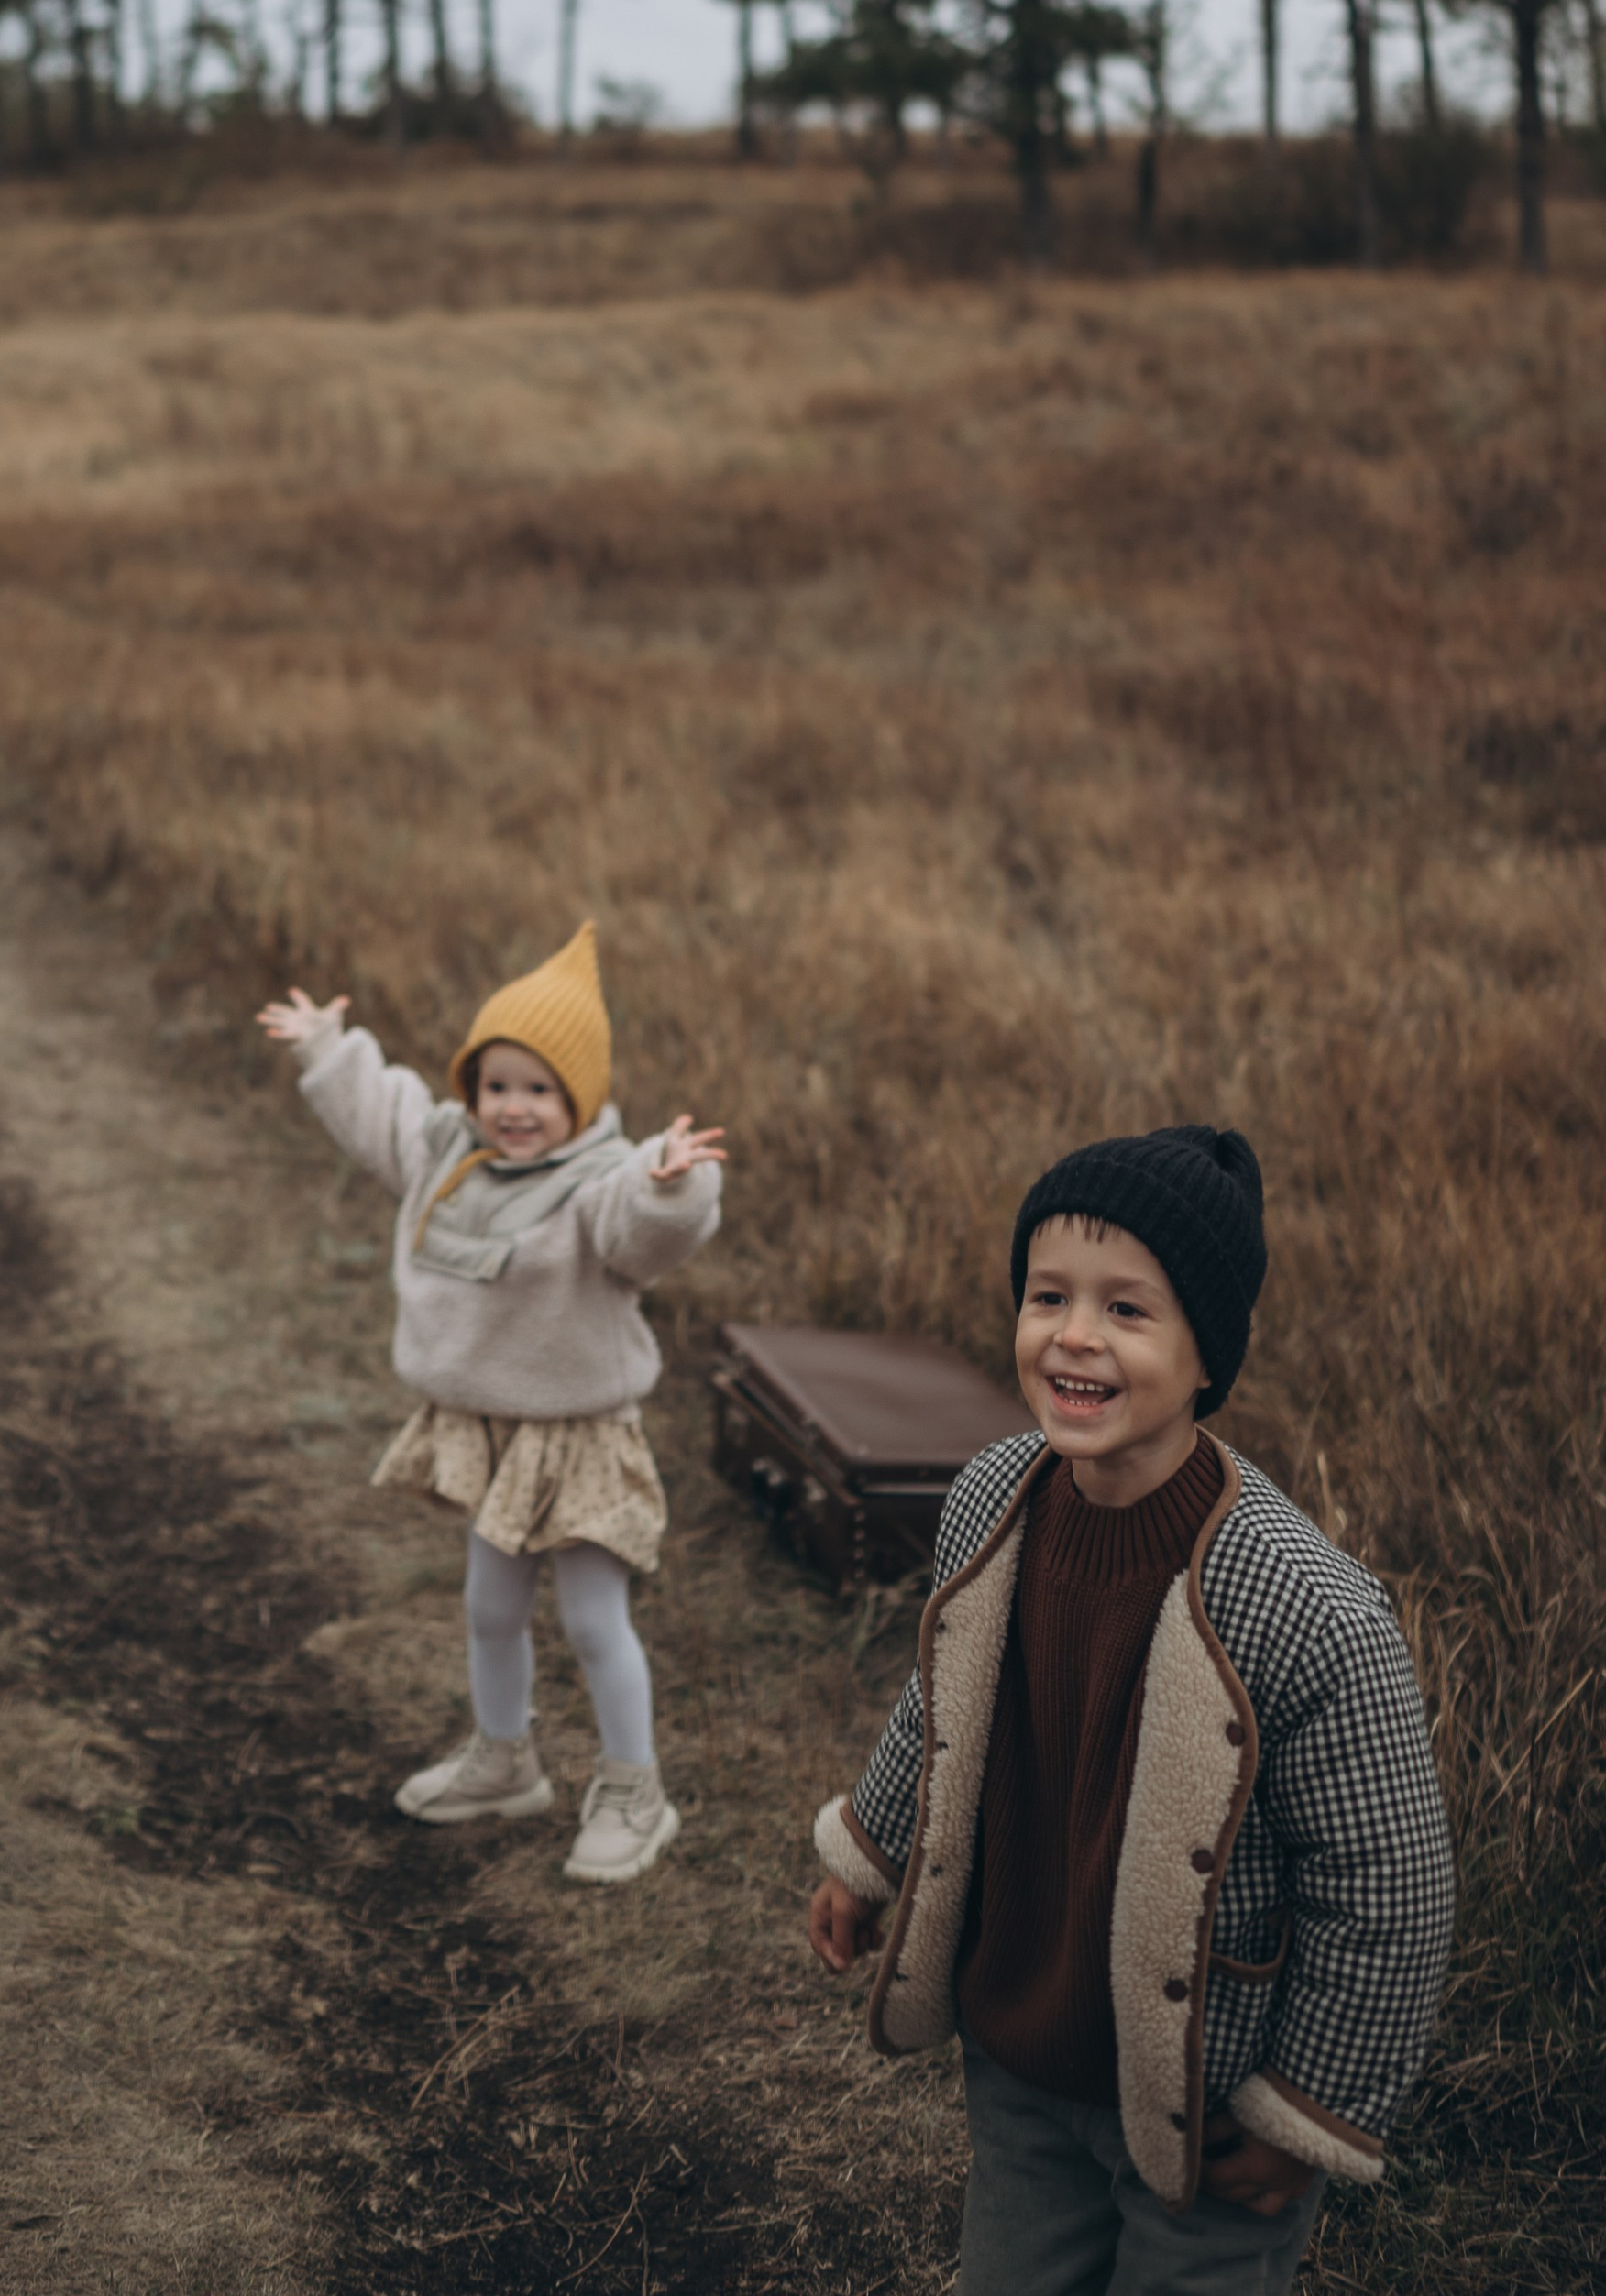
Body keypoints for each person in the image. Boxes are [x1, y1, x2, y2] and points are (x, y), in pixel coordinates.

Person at [805, 1124, 1453, 2296]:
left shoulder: (1305, 1608)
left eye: (1128, 1310)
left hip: (1203, 2098)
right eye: (1047, 1293)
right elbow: (943, 1700)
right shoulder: (996, 1497)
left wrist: (1303, 2110)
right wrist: (867, 1851)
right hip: (1024, 2048)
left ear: (1208, 1354)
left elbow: (1388, 1884)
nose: (1075, 1334)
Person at [259, 921, 723, 1885]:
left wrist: (669, 1187)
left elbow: (643, 1232)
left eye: (539, 1089)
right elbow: (380, 1112)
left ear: (579, 1096)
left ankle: (636, 1790)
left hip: (579, 1434)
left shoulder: (599, 1182)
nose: (514, 1108)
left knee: (594, 1619)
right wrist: (327, 1048)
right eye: (497, 1084)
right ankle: (504, 1759)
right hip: (488, 1427)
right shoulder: (449, 1153)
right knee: (488, 1606)